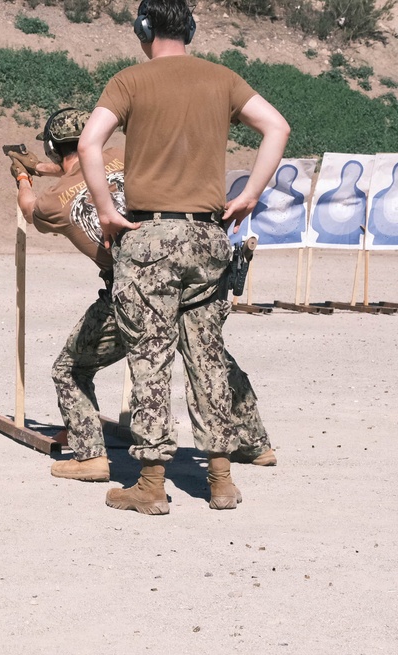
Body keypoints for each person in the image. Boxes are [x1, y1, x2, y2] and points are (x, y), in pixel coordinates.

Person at [77, 0, 290, 514]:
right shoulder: (223, 79)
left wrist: (106, 211)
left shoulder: (129, 81)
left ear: (143, 28)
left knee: (151, 356)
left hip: (150, 237)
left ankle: (151, 484)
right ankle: (220, 480)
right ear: (190, 28)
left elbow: (88, 145)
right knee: (208, 357)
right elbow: (277, 127)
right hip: (208, 237)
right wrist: (251, 193)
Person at [8, 108, 276, 486]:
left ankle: (91, 456)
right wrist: (42, 167)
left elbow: (31, 206)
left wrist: (23, 177)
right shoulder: (124, 155)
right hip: (184, 270)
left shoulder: (53, 202)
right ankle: (254, 444)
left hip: (134, 289)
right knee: (209, 357)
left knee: (70, 369)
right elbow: (86, 166)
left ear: (53, 148)